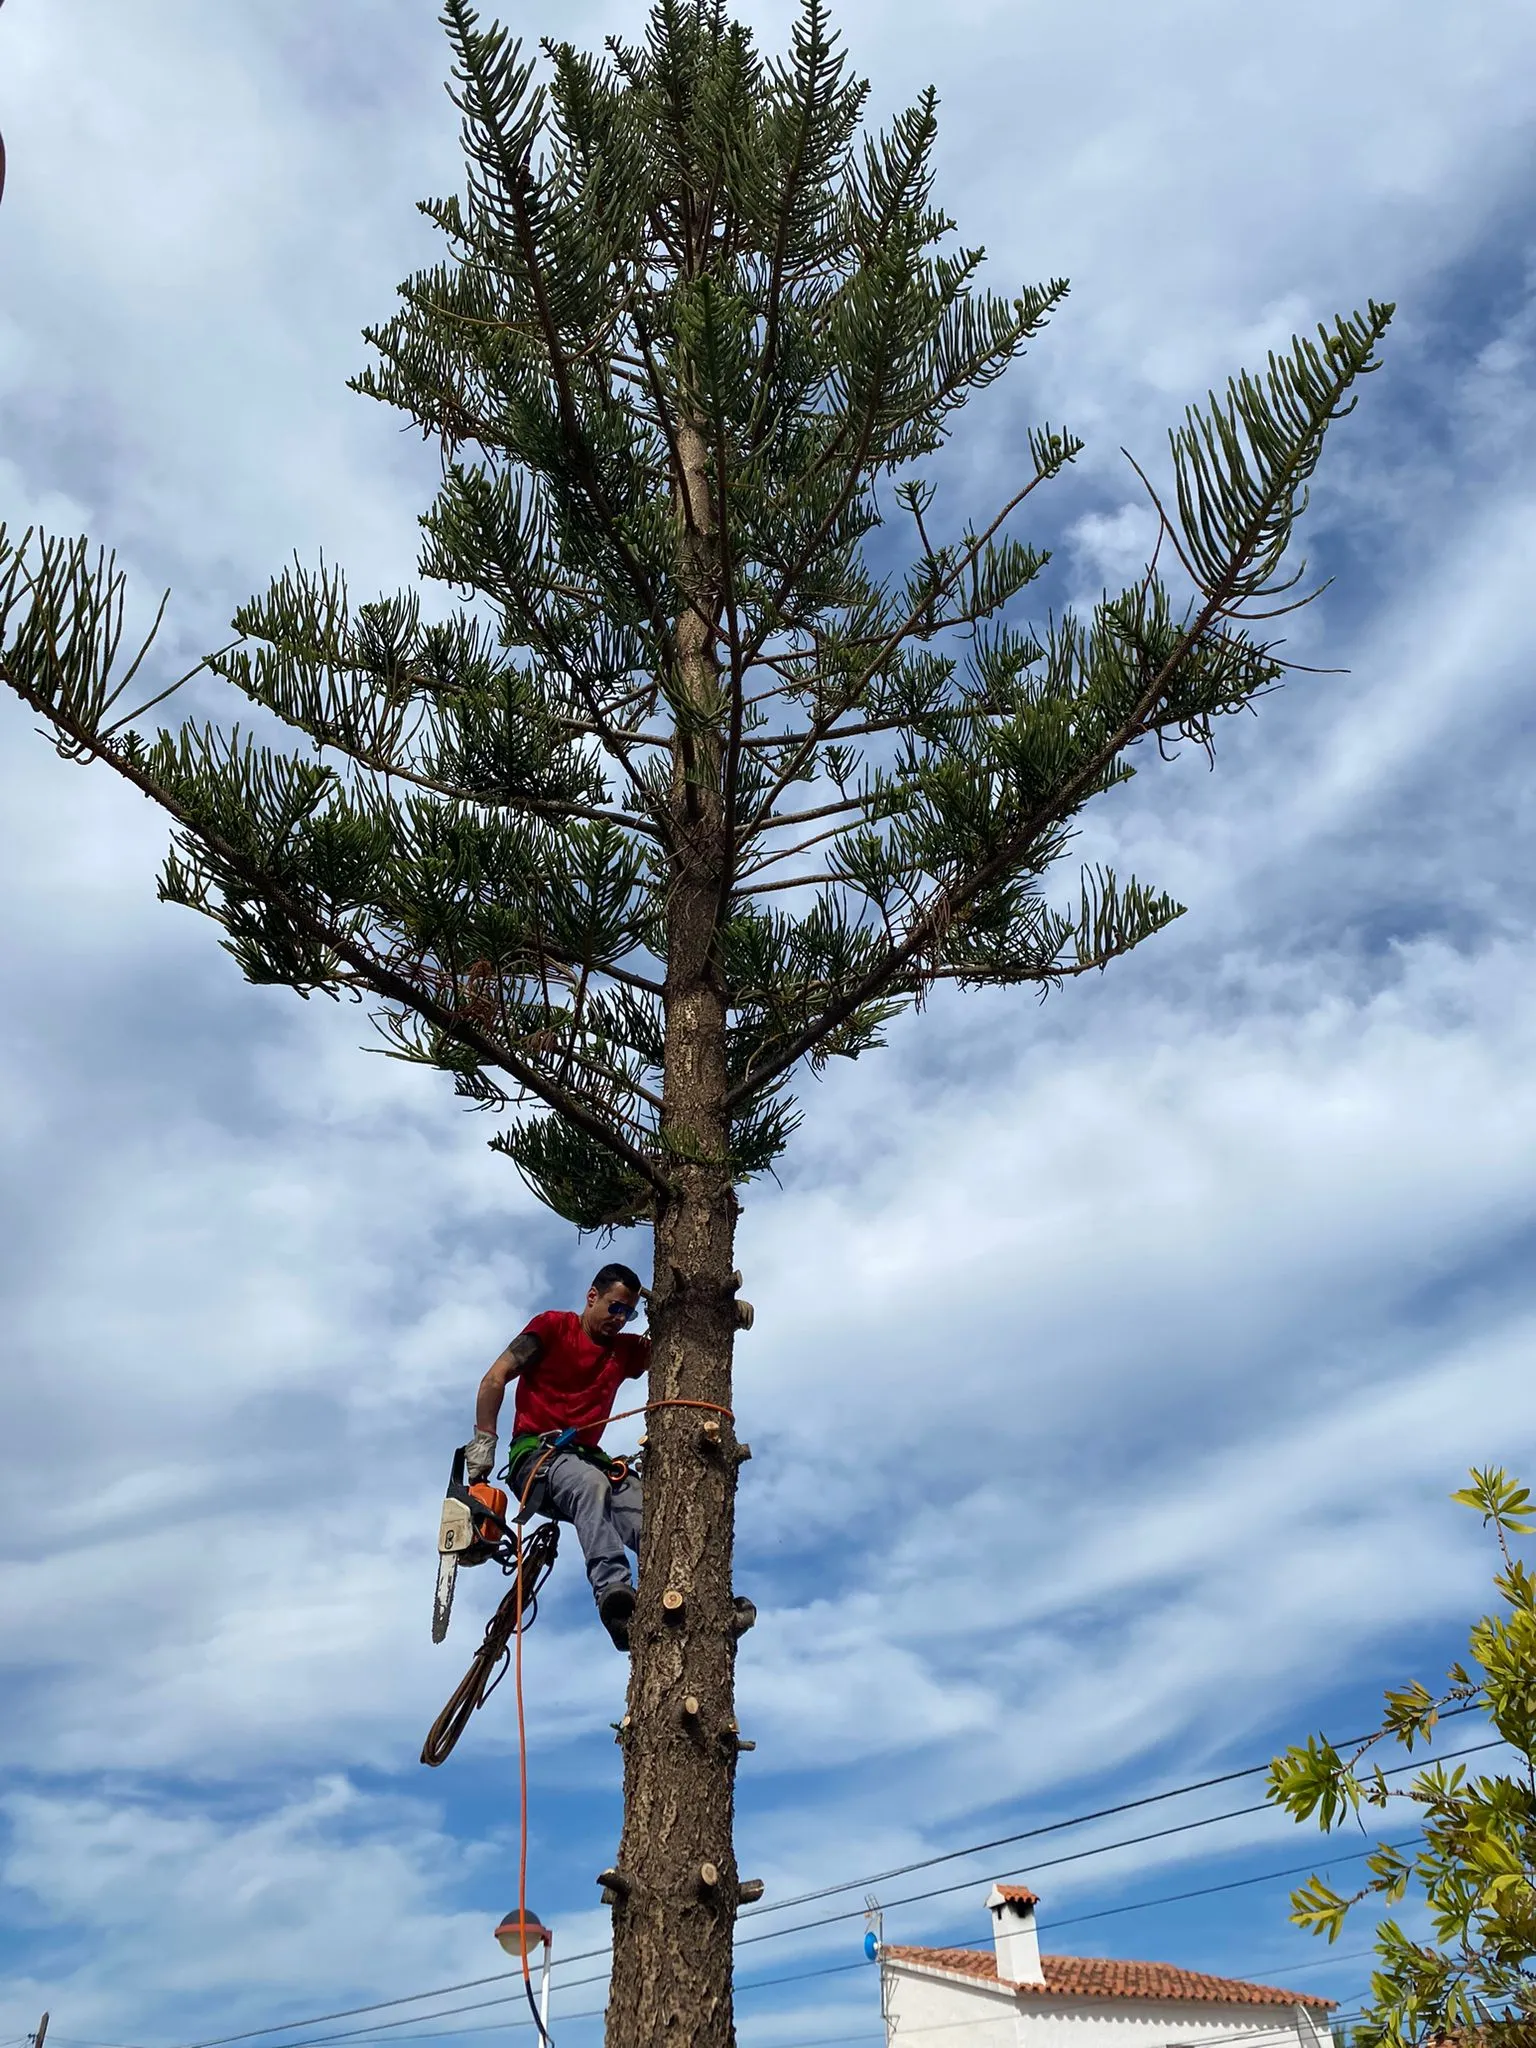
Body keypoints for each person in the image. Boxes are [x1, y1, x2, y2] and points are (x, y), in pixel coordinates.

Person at [464, 1263, 649, 1651]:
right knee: (590, 1483)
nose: (620, 1319)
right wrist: (482, 1451)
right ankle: (614, 1595)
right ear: (592, 1296)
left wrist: (721, 1313)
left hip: (589, 1459)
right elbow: (494, 1378)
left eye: (628, 1314)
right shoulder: (552, 1328)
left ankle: (686, 1602)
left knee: (649, 1509)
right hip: (537, 1458)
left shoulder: (624, 1351)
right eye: (615, 1307)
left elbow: (681, 1336)